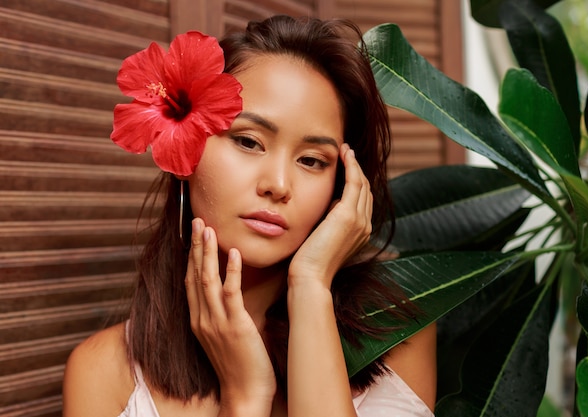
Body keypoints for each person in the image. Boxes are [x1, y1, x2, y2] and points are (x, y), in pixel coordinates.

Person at [62, 15, 437, 417]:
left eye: (311, 160)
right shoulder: (104, 372)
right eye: (247, 141)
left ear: (343, 186)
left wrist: (311, 286)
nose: (278, 183)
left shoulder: (398, 338)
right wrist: (245, 397)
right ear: (186, 149)